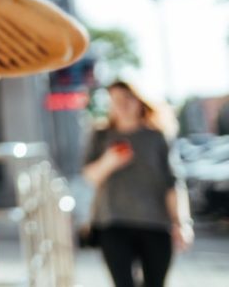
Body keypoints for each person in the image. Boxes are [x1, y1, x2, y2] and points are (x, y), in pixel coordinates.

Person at [82, 80, 194, 287]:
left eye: (127, 99)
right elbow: (89, 177)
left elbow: (173, 183)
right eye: (115, 100)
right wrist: (109, 161)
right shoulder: (101, 136)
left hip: (155, 223)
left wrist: (182, 223)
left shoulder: (157, 137)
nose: (121, 105)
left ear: (140, 101)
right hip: (113, 222)